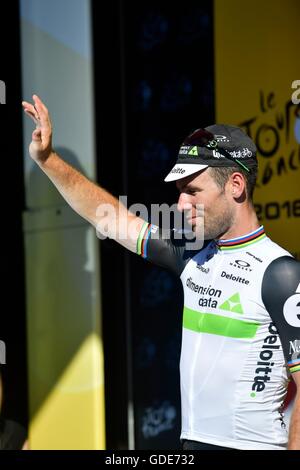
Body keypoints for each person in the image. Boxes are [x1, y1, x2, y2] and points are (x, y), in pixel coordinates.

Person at [22, 95, 300, 450]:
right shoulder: (192, 254)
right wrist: (48, 160)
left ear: (236, 186)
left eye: (192, 191)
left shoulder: (281, 273)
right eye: (179, 192)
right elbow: (110, 217)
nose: (181, 204)